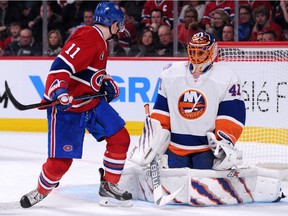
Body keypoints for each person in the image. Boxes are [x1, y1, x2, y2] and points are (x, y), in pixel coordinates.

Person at [19, 1, 132, 208]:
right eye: (119, 22)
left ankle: (109, 185)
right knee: (60, 163)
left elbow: (89, 72)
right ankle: (41, 191)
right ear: (113, 22)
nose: (120, 26)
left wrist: (106, 83)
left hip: (90, 102)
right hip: (68, 109)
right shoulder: (89, 36)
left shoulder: (101, 41)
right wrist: (60, 91)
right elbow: (60, 66)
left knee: (120, 137)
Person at [150, 31, 246, 170]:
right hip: (175, 148)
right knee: (176, 187)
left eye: (201, 52)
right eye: (193, 52)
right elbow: (161, 110)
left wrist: (223, 141)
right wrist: (155, 138)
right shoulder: (170, 74)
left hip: (205, 150)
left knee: (203, 189)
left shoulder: (227, 77)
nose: (196, 57)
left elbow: (231, 113)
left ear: (212, 51)